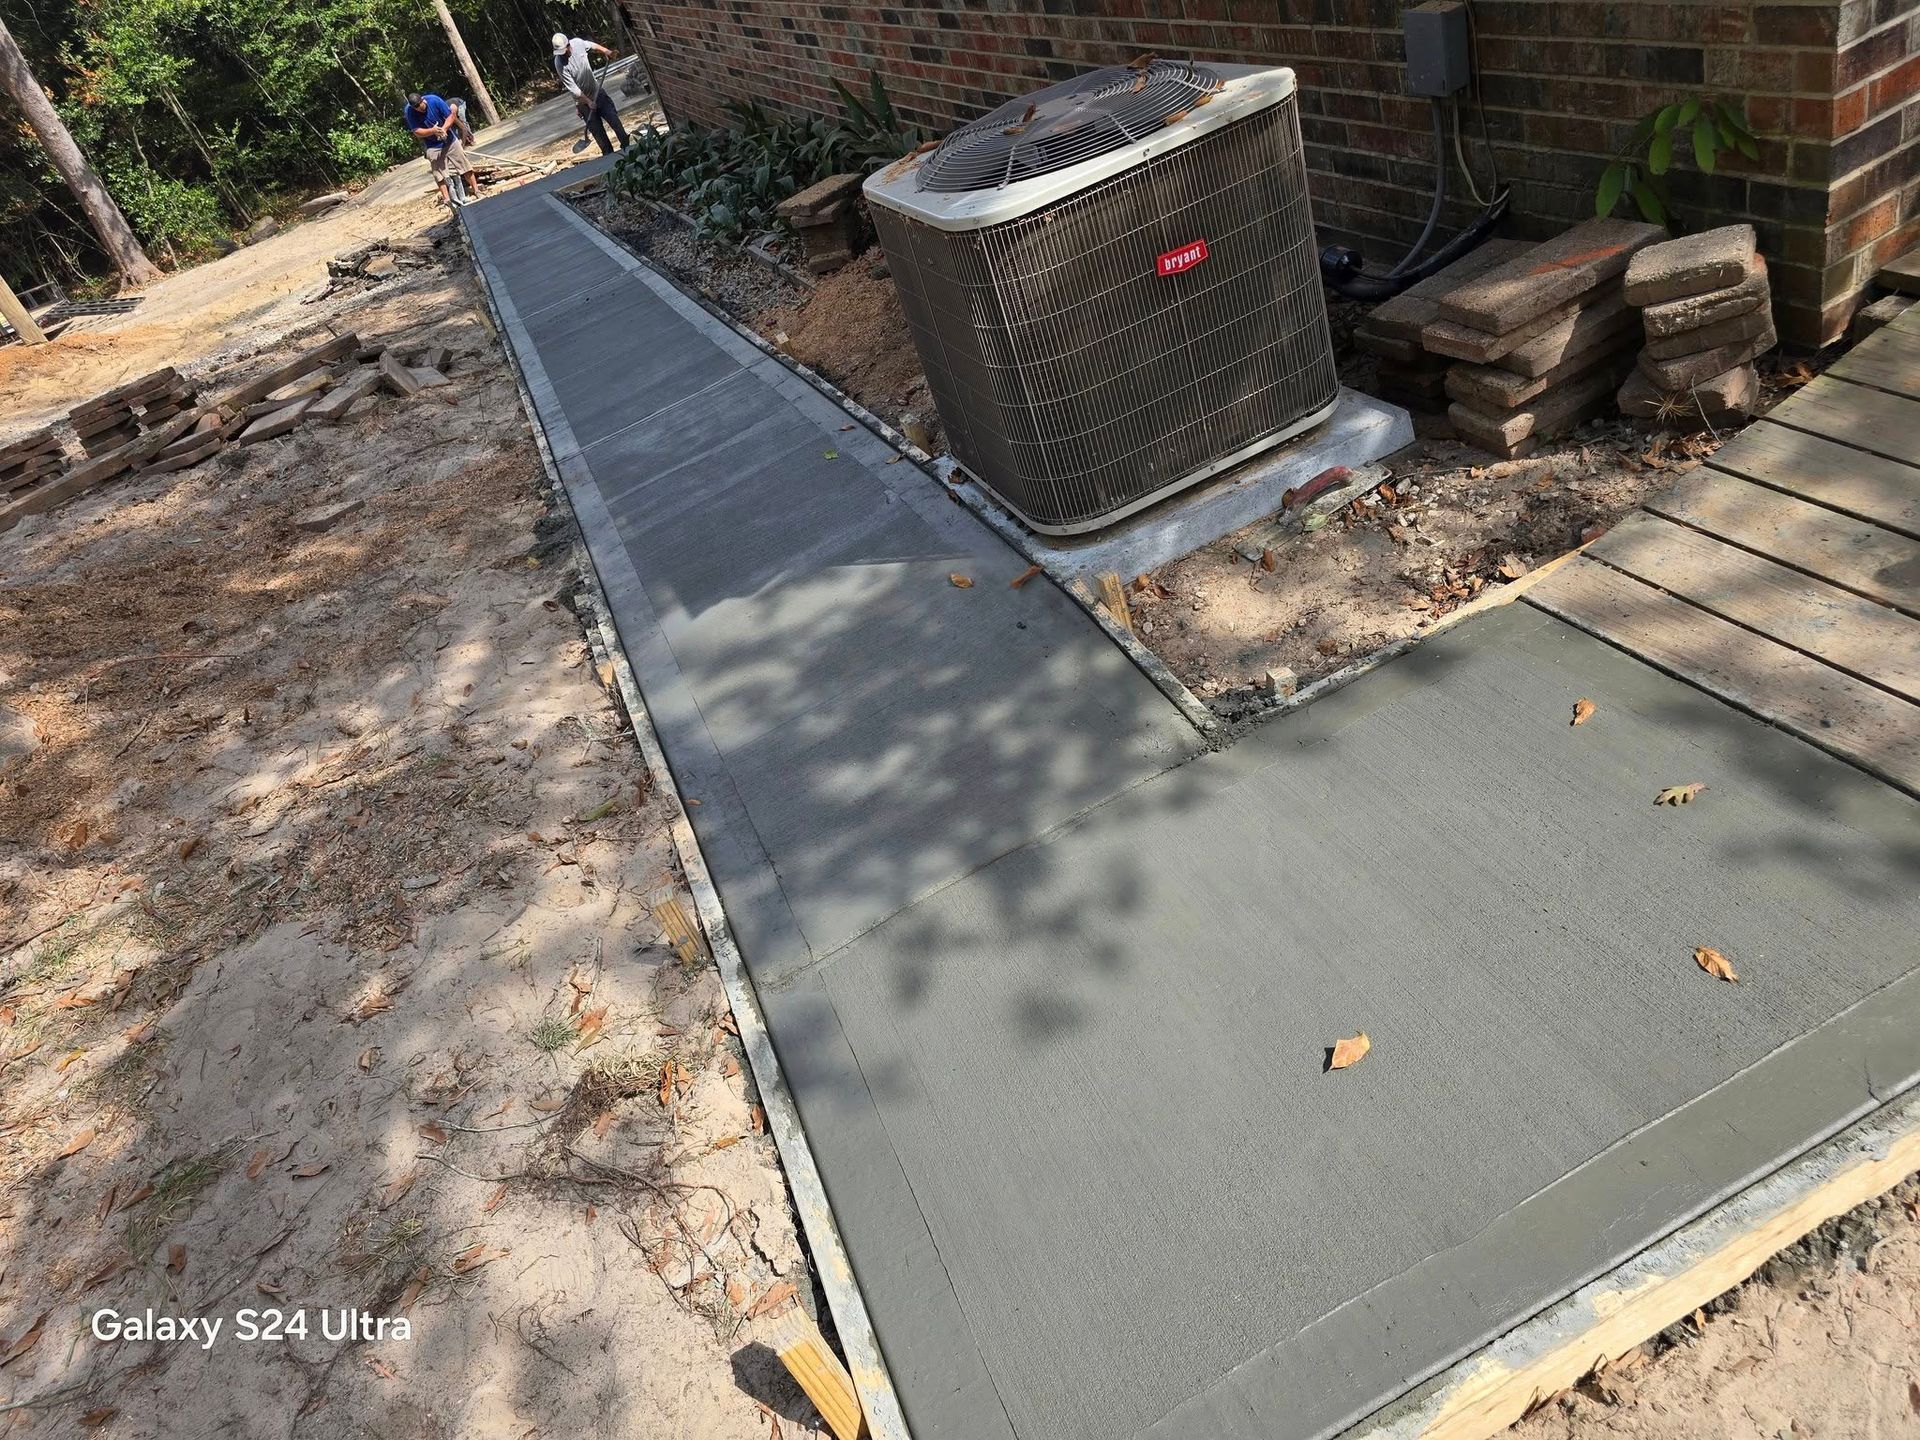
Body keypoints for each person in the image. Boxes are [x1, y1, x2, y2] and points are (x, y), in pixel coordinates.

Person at [551, 33, 629, 156]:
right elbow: (574, 89)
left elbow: (592, 45)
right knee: (599, 135)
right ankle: (609, 159)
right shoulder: (559, 63)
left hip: (598, 93)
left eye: (564, 51)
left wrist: (606, 51)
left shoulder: (577, 43)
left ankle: (628, 149)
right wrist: (588, 102)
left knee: (615, 122)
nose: (563, 54)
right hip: (584, 104)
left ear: (568, 45)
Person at [403, 92, 482, 207]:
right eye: (417, 110)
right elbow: (417, 131)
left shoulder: (434, 100)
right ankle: (447, 200)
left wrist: (444, 129)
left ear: (423, 101)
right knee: (439, 175)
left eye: (421, 108)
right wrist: (433, 131)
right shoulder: (410, 111)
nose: (420, 111)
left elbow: (451, 116)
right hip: (432, 145)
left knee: (464, 165)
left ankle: (477, 191)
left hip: (450, 140)